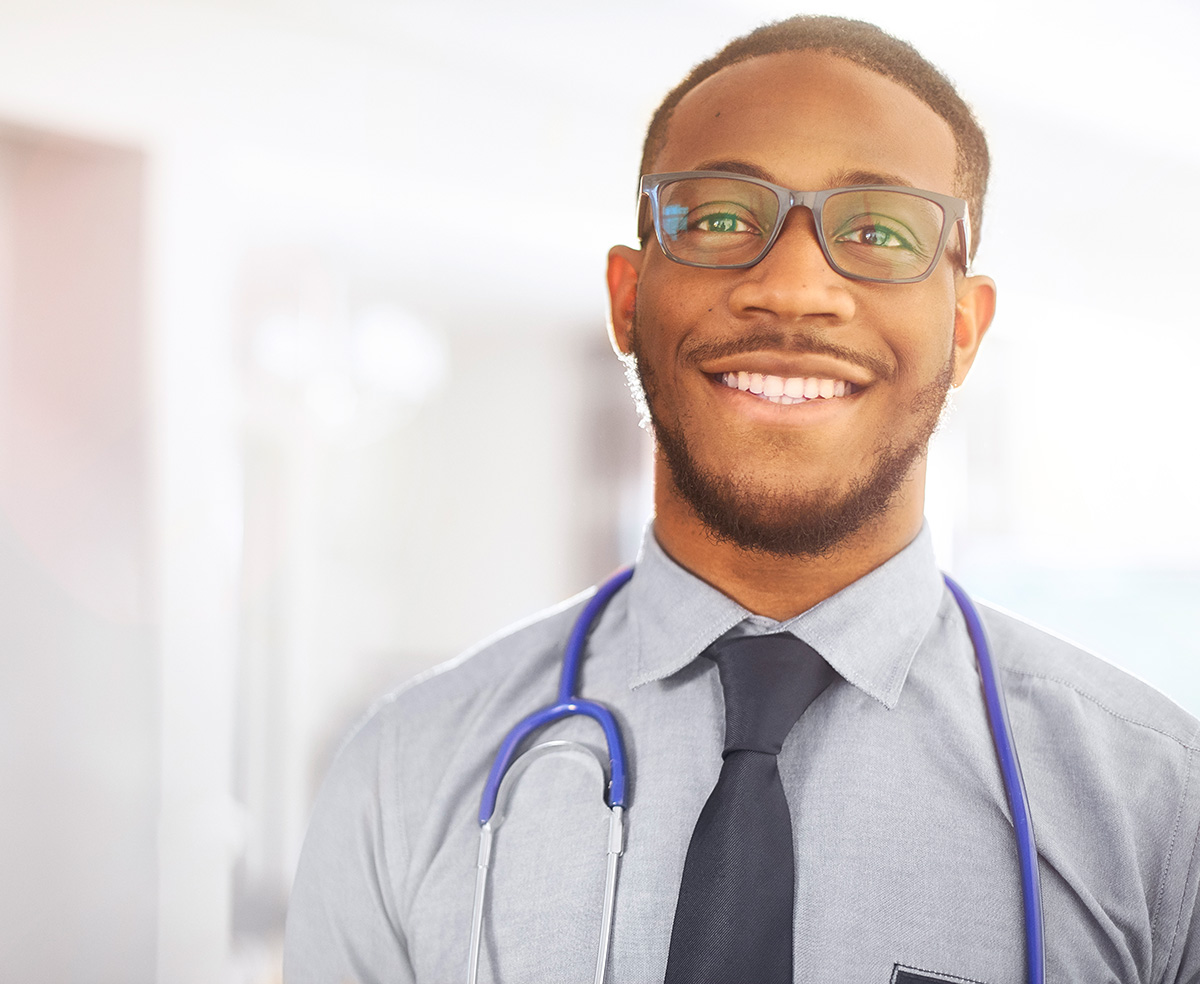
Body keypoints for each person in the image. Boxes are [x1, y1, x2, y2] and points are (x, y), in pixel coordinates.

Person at [283, 15, 1200, 983]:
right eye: (720, 218)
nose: (794, 288)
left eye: (880, 229)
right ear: (628, 298)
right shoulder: (405, 774)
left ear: (965, 328)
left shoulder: (1156, 808)